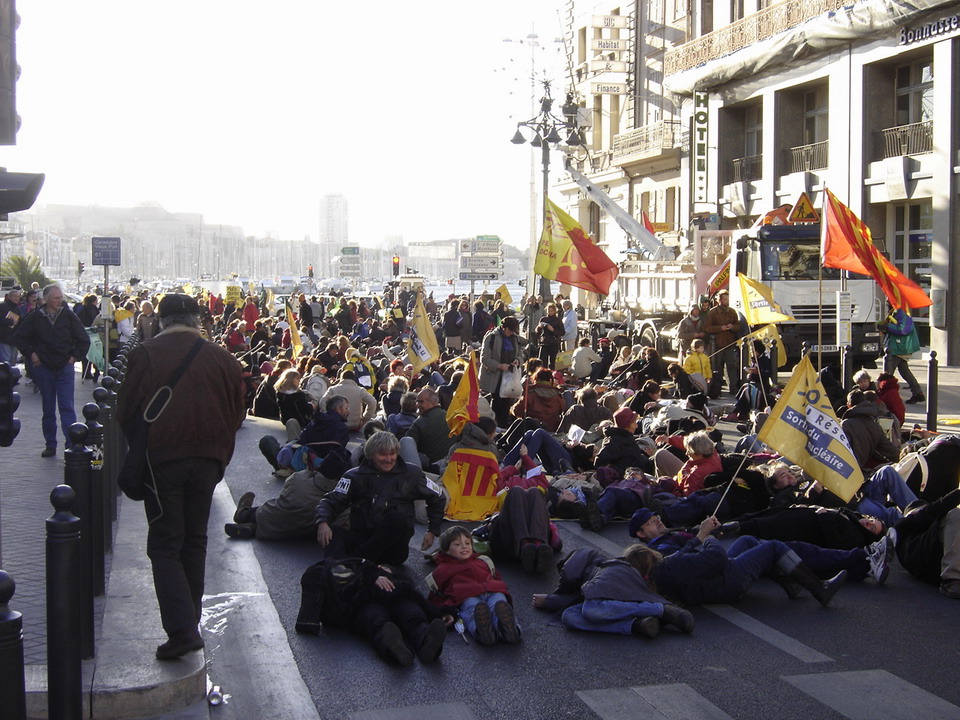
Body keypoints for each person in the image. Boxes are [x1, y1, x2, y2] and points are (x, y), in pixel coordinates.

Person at [116, 293, 245, 660]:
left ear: (161, 320)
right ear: (196, 319)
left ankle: (182, 629)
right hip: (208, 460)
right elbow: (237, 412)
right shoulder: (224, 358)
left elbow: (126, 410)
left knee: (164, 543)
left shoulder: (146, 353)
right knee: (194, 540)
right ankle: (190, 621)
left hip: (164, 459)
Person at [314, 431, 445, 565]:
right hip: (363, 538)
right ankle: (333, 569)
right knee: (334, 532)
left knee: (397, 519)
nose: (388, 459)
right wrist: (323, 522)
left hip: (393, 548)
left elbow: (438, 497)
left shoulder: (412, 474)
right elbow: (331, 500)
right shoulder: (353, 476)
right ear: (371, 455)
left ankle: (357, 563)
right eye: (382, 454)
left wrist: (432, 530)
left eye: (392, 454)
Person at [14, 284, 91, 457]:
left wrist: (74, 358)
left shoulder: (68, 316)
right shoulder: (36, 317)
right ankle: (50, 444)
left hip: (64, 366)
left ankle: (71, 443)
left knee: (67, 407)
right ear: (47, 299)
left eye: (60, 297)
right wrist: (32, 354)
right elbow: (20, 337)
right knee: (48, 408)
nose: (59, 301)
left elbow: (83, 339)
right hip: (44, 367)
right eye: (56, 298)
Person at [426, 526, 520, 645]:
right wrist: (443, 612)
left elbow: (496, 577)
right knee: (472, 610)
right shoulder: (443, 569)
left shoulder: (482, 560)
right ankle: (482, 631)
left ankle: (509, 629)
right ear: (446, 550)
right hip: (466, 595)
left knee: (499, 604)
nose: (464, 546)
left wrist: (500, 588)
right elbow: (435, 595)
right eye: (457, 544)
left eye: (467, 543)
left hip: (492, 591)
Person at [894, 488, 960, 598]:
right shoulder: (903, 526)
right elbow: (932, 511)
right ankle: (951, 579)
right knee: (956, 515)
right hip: (929, 559)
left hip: (935, 567)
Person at [478, 315, 527, 428]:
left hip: (509, 376)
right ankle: (495, 427)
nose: (511, 333)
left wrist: (518, 361)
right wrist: (499, 366)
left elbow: (521, 354)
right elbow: (485, 359)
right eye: (510, 330)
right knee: (497, 402)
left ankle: (503, 427)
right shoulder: (491, 337)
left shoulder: (514, 338)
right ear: (504, 327)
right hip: (494, 376)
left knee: (506, 402)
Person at [400, 387, 456, 470]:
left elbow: (406, 448)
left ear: (432, 402)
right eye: (417, 401)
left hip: (429, 471)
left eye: (420, 401)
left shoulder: (419, 423)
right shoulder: (450, 417)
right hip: (451, 468)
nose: (417, 404)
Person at [879, 305, 924, 404]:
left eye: (889, 299)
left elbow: (903, 329)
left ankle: (884, 395)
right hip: (898, 347)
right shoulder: (895, 311)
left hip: (898, 348)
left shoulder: (901, 312)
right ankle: (918, 393)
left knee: (887, 373)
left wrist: (887, 326)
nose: (886, 302)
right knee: (904, 371)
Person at [703, 288, 741, 393]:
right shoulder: (713, 312)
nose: (726, 301)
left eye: (727, 299)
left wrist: (732, 326)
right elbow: (707, 327)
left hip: (729, 343)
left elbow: (738, 326)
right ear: (719, 300)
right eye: (724, 299)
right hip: (717, 344)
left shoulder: (732, 312)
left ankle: (733, 388)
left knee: (731, 366)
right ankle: (717, 389)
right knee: (717, 368)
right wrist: (720, 328)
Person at [536, 302, 564, 368]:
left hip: (553, 343)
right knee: (542, 362)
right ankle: (543, 374)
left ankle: (553, 374)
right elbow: (537, 332)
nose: (550, 312)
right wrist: (539, 327)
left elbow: (562, 332)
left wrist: (553, 330)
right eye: (549, 311)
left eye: (551, 311)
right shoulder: (543, 319)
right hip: (544, 342)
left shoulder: (557, 320)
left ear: (554, 311)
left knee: (553, 362)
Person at [0, 286, 22, 364]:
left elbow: (19, 322)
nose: (17, 298)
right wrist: (11, 322)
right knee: (6, 362)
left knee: (12, 362)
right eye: (15, 296)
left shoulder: (17, 309)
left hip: (14, 339)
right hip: (4, 339)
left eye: (18, 297)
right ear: (9, 297)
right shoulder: (2, 306)